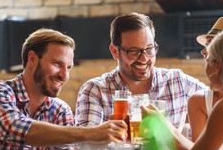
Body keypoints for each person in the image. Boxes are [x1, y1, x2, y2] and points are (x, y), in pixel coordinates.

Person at [0, 28, 127, 150]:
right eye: (57, 64)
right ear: (32, 59)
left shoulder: (60, 109)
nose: (64, 75)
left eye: (68, 67)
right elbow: (17, 129)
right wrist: (91, 133)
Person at [75, 12, 207, 131]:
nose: (144, 59)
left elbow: (220, 102)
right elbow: (84, 148)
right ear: (115, 51)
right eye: (134, 52)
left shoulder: (177, 81)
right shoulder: (95, 90)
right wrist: (104, 135)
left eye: (149, 50)